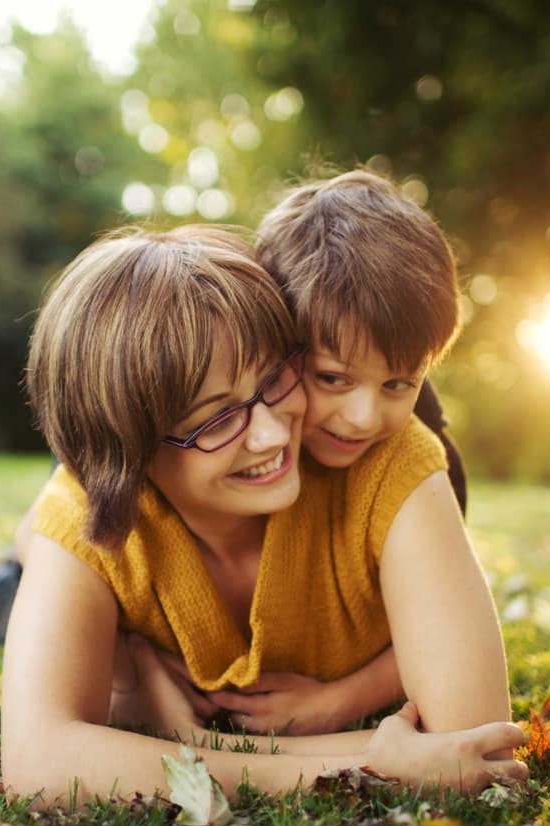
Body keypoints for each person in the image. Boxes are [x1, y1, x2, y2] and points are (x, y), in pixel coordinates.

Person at [0, 224, 524, 806]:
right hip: (72, 548)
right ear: (135, 455)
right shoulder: (88, 507)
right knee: (2, 593)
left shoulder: (389, 464)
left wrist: (183, 742)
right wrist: (371, 762)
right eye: (218, 419)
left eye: (274, 379)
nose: (275, 434)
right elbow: (39, 761)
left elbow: (473, 741)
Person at [189, 169, 468, 735]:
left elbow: (438, 629)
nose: (366, 418)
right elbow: (56, 525)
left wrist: (340, 700)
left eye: (398, 385)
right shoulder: (208, 387)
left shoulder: (421, 463)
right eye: (332, 378)